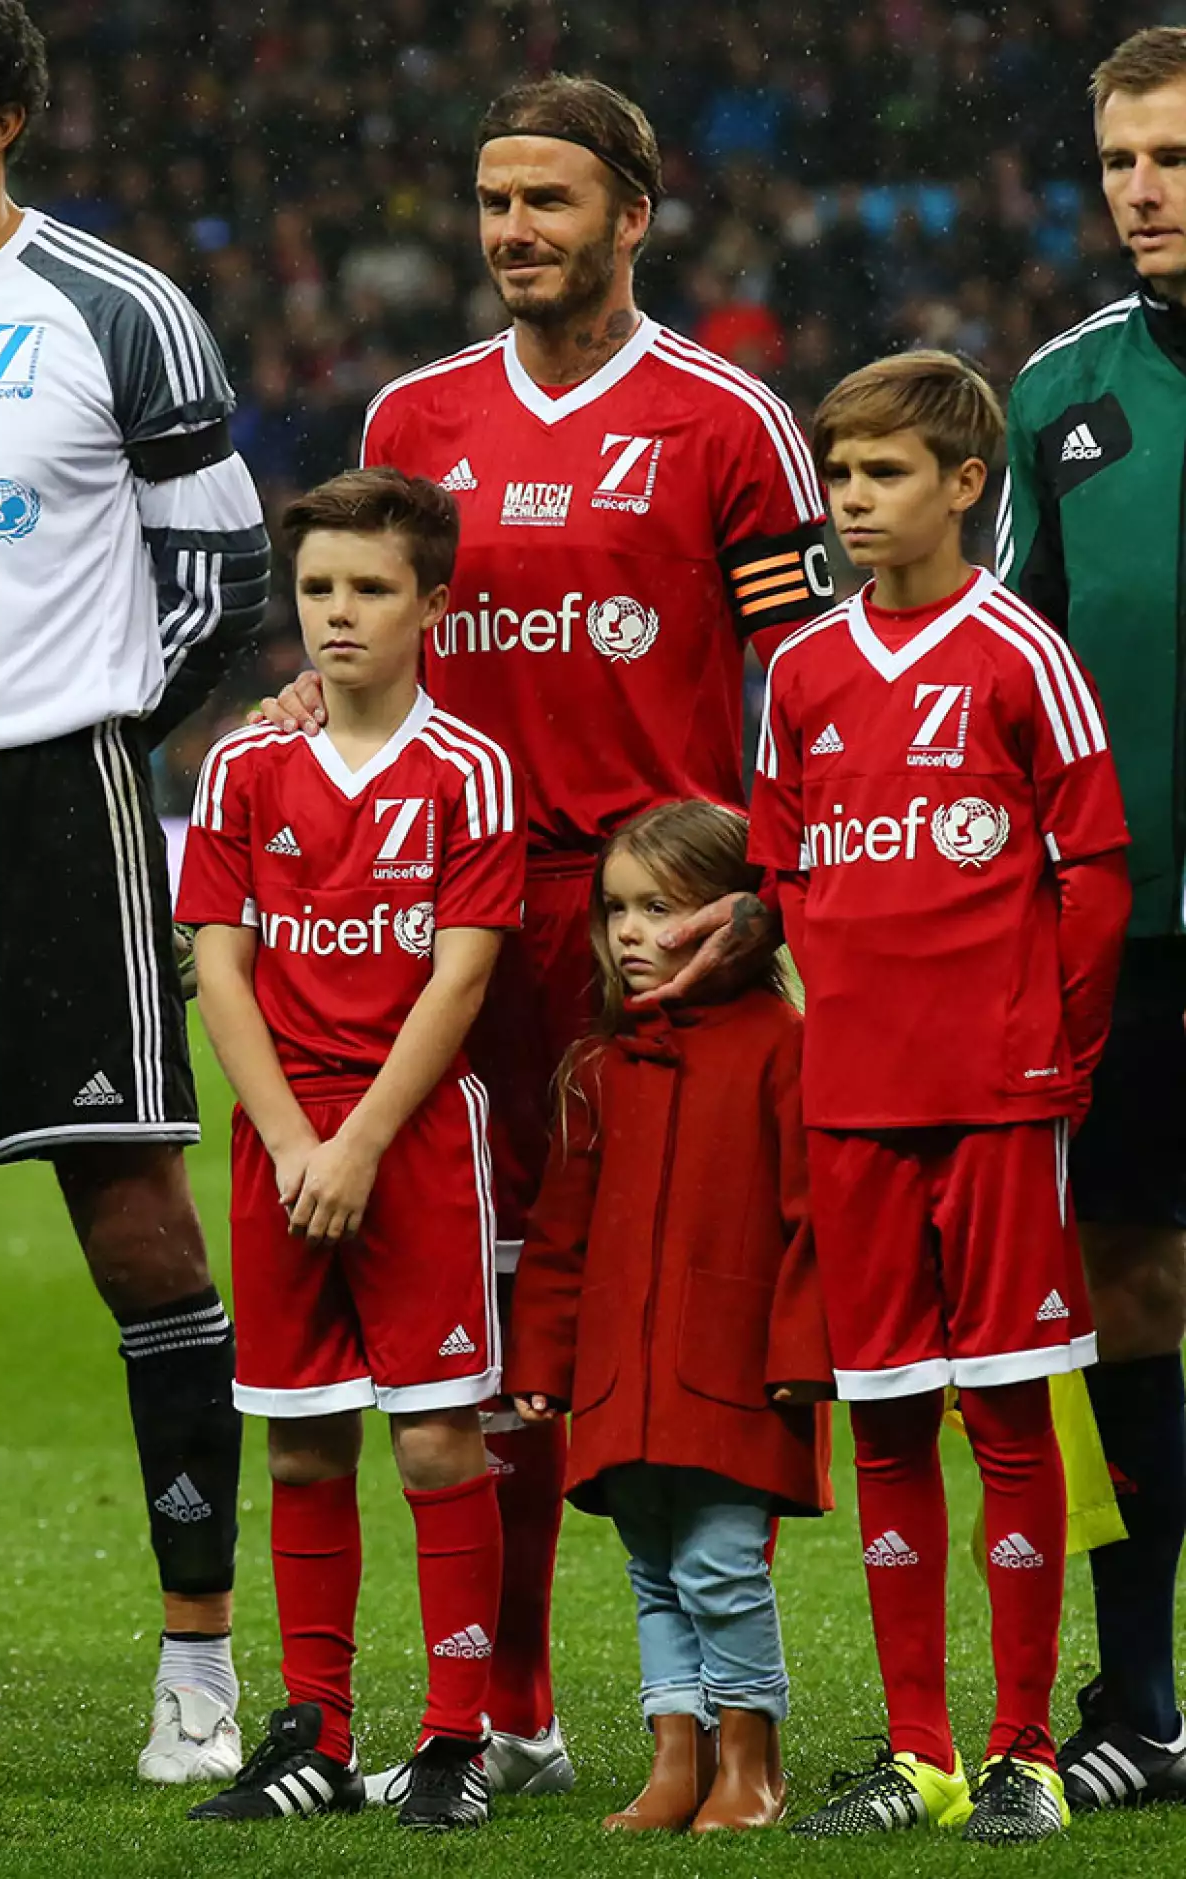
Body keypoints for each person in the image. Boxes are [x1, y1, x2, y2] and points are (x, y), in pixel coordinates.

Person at [262, 73, 831, 1799]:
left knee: (673, 1325)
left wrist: (767, 897)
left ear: (634, 216)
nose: (516, 228)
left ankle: (726, 1713)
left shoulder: (729, 418)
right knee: (490, 1326)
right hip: (461, 926)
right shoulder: (419, 412)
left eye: (552, 201)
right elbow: (367, 625)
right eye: (497, 198)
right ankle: (509, 1710)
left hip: (658, 933)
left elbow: (802, 691)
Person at [750, 351, 1132, 1843]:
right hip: (852, 1101)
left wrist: (1060, 1050)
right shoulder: (799, 668)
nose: (854, 498)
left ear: (967, 486)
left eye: (886, 472)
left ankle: (1025, 1747)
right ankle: (920, 1756)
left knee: (1010, 1415)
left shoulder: (1016, 651)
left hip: (994, 1094)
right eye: (841, 473)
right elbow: (785, 869)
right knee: (892, 1417)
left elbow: (1089, 869)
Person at [0, 0, 270, 1780]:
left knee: (138, 1222)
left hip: (50, 795)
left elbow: (227, 572)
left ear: (0, 116)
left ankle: (199, 1662)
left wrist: (91, 731)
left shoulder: (116, 306)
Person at [176, 468, 526, 1830]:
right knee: (305, 1442)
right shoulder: (244, 764)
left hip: (414, 1136)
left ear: (432, 605)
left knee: (439, 1437)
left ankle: (457, 1735)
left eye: (371, 588)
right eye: (318, 586)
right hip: (286, 1139)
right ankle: (317, 1733)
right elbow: (220, 958)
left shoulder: (469, 768)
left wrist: (361, 1138)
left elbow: (461, 974)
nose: (339, 612)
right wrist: (287, 1136)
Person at [505, 800, 833, 1835]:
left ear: (736, 912)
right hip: (618, 1375)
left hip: (737, 1369)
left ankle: (752, 1759)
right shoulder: (598, 1065)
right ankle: (675, 1760)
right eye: (616, 910)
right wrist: (545, 1360)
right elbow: (560, 1239)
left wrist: (801, 1353)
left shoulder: (784, 1044)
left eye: (662, 907)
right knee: (653, 1567)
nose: (631, 933)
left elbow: (810, 1218)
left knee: (721, 1564)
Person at [996, 24, 1186, 1810]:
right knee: (1125, 1278)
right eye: (1126, 157)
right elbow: (999, 656)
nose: (1144, 188)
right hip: (1123, 934)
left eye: (1177, 157)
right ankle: (1140, 1694)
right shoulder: (1062, 392)